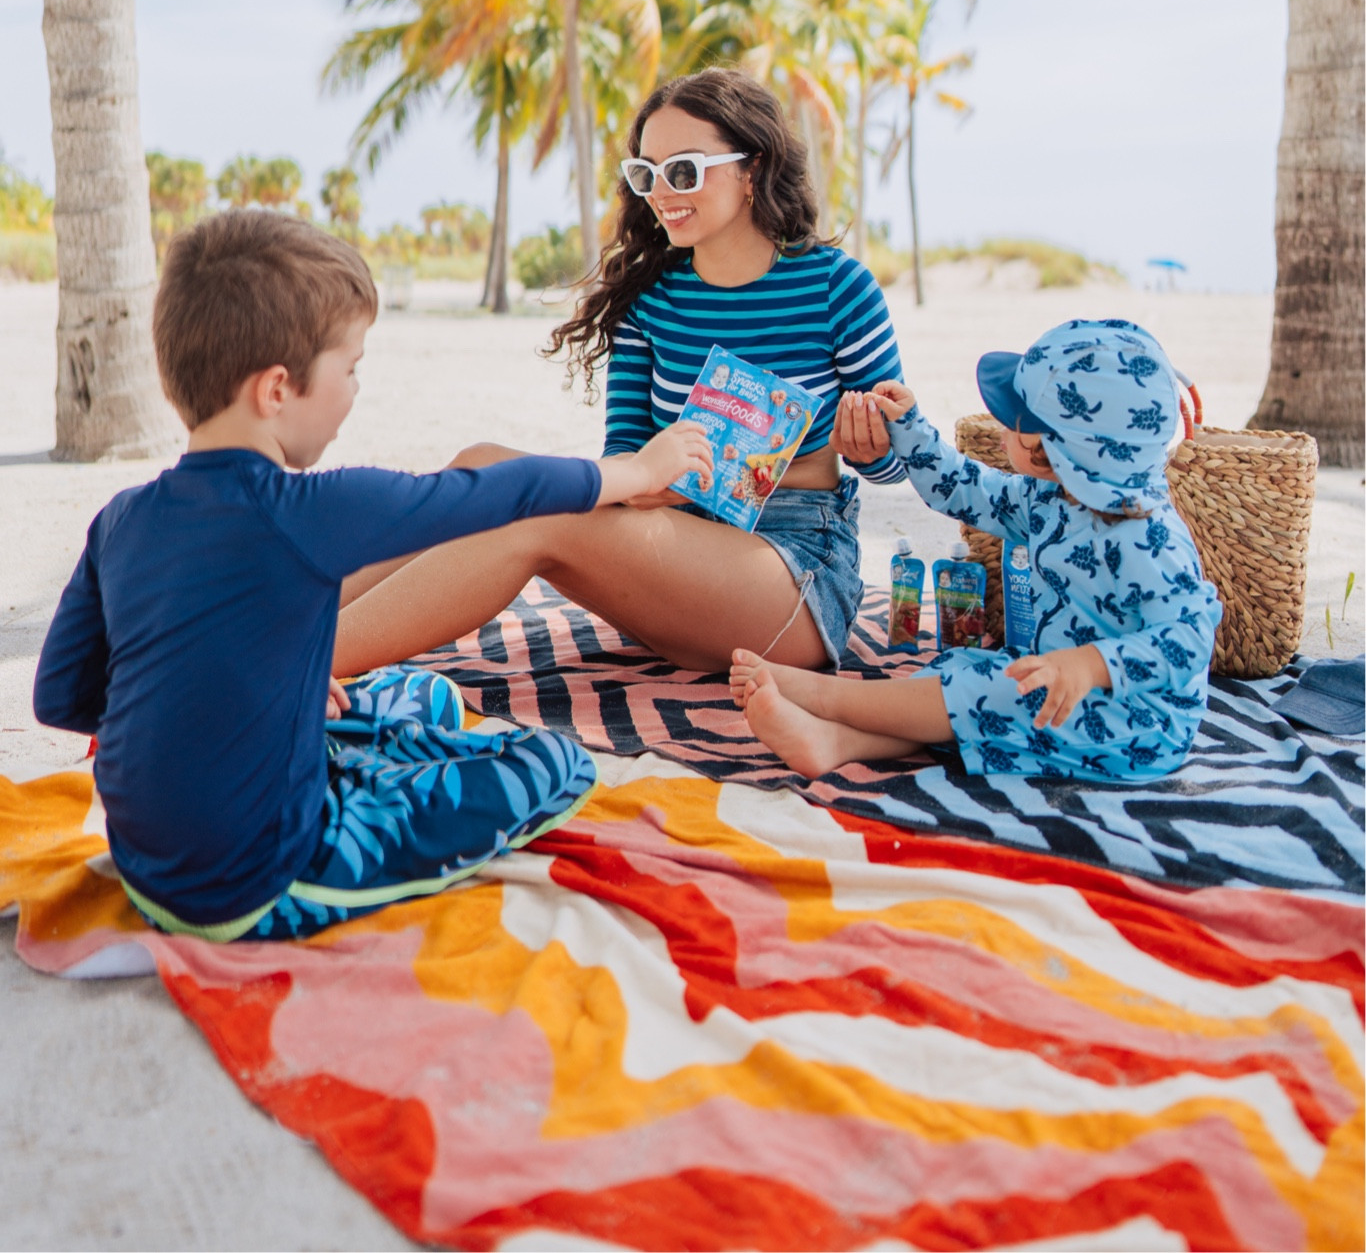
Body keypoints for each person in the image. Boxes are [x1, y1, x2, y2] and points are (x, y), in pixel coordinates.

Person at [33, 211, 709, 942]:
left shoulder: (122, 519)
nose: (356, 390)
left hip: (140, 865)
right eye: (349, 368)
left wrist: (233, 703)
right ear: (276, 390)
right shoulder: (306, 510)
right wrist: (640, 469)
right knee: (555, 762)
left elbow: (61, 696)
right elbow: (492, 494)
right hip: (261, 877)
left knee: (422, 696)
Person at [332, 67, 909, 679]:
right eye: (646, 173)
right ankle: (289, 616)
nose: (661, 191)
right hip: (666, 563)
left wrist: (871, 447)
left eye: (683, 170)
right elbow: (624, 456)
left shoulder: (836, 288)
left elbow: (899, 466)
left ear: (753, 170)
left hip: (791, 577)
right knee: (483, 464)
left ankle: (301, 667)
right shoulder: (652, 299)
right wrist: (648, 481)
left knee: (538, 509)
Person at [730, 319, 1222, 783]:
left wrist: (1090, 666)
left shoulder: (1147, 539)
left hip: (1137, 725)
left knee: (990, 692)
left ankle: (825, 697)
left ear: (1062, 448)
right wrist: (910, 429)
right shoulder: (1052, 498)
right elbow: (965, 489)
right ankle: (835, 742)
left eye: (1014, 418)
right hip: (1056, 686)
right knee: (962, 671)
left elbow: (1192, 636)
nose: (1000, 423)